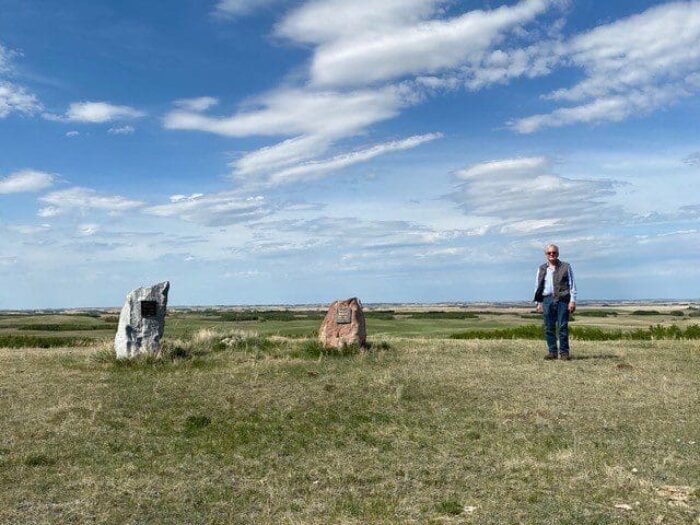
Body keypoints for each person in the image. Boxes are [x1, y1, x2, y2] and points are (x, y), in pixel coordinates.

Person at [533, 244, 577, 360]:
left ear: (558, 254)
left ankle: (564, 353)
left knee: (562, 326)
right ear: (545, 255)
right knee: (549, 327)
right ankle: (552, 352)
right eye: (549, 253)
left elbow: (572, 285)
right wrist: (538, 303)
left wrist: (572, 301)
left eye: (554, 252)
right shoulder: (541, 268)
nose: (551, 255)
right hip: (547, 299)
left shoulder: (566, 267)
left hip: (563, 300)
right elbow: (538, 286)